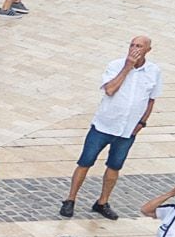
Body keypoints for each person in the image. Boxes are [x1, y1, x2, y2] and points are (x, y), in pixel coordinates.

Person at [63, 35, 162, 221]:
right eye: (132, 45)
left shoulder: (154, 71)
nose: (134, 49)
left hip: (127, 130)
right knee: (85, 162)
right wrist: (127, 67)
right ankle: (70, 199)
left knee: (115, 166)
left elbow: (151, 99)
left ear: (148, 50)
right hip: (103, 125)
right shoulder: (116, 65)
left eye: (139, 46)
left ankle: (103, 201)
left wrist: (142, 123)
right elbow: (110, 89)